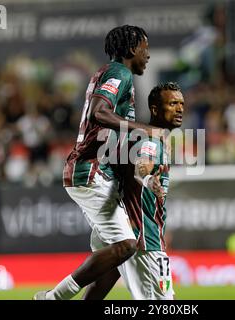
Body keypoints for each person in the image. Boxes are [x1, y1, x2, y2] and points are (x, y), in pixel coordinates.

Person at [33, 25, 164, 300]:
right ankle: (53, 297)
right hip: (91, 171)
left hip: (97, 172)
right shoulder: (120, 73)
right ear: (131, 49)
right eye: (145, 48)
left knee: (114, 261)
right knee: (127, 246)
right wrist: (144, 129)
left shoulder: (109, 74)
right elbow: (99, 112)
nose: (148, 55)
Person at [83, 82, 184, 300]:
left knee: (98, 290)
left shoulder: (146, 138)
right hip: (143, 240)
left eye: (182, 103)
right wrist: (147, 178)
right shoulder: (151, 141)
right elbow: (142, 165)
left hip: (122, 233)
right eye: (173, 103)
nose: (180, 108)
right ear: (155, 110)